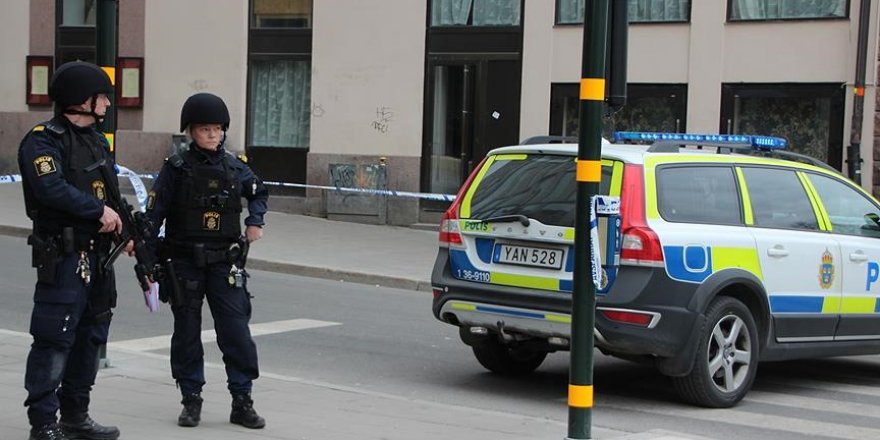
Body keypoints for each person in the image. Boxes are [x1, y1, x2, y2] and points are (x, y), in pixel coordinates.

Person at [145, 92, 269, 429]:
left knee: (236, 331)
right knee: (186, 333)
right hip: (184, 261)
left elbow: (258, 191)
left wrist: (255, 221)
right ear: (190, 132)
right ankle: (191, 399)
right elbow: (154, 213)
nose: (212, 135)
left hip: (224, 262)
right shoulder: (176, 169)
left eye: (216, 129)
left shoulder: (234, 166)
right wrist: (144, 250)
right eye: (204, 129)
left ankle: (242, 399)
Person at [18, 61, 125, 440]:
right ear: (83, 99)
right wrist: (98, 212)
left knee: (91, 336)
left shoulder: (96, 139)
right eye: (102, 98)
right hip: (64, 256)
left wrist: (126, 231)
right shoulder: (42, 140)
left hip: (99, 257)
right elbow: (51, 189)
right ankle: (44, 423)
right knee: (55, 337)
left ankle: (76, 415)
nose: (107, 106)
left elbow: (110, 192)